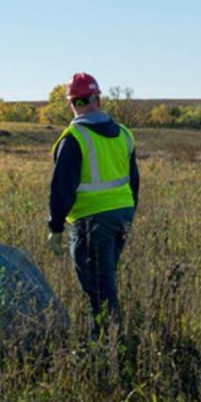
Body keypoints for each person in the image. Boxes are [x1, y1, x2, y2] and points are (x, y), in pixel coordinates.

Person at [47, 72, 140, 333]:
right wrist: (129, 214)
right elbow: (134, 182)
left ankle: (107, 347)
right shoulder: (123, 134)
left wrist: (55, 227)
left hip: (91, 222)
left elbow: (61, 188)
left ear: (72, 104)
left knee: (98, 289)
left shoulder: (74, 138)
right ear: (98, 99)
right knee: (105, 282)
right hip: (122, 217)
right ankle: (109, 340)